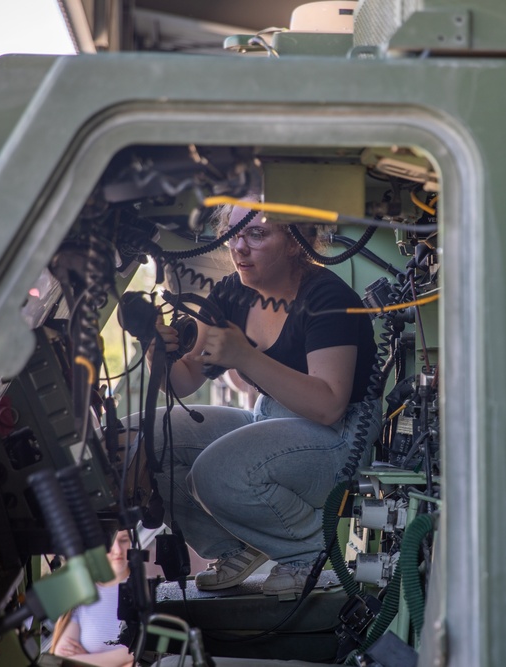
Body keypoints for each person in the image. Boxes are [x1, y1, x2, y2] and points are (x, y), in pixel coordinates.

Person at [148, 196, 380, 597]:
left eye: (256, 234)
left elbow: (328, 406)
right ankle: (233, 547)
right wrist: (158, 352)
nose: (239, 247)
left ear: (295, 241)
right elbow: (185, 379)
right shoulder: (231, 293)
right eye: (231, 234)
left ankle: (305, 552)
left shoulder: (328, 297)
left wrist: (245, 357)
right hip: (269, 420)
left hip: (339, 441)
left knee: (215, 472)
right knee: (144, 439)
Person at [50, 530, 134, 667]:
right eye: (111, 543)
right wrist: (123, 661)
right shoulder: (82, 590)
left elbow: (142, 651)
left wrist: (85, 658)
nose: (117, 550)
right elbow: (62, 655)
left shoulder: (147, 589)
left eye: (123, 540)